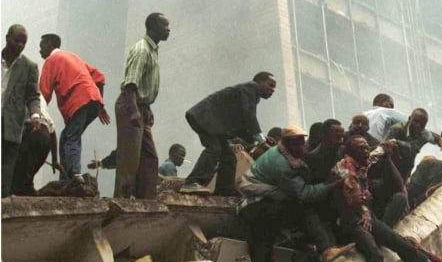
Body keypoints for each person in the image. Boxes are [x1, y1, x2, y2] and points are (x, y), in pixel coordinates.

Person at [331, 136, 442, 262]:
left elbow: (381, 154)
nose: (367, 151)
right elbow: (354, 198)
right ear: (352, 152)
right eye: (362, 149)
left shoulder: (363, 161)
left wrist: (387, 149)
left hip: (366, 216)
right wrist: (365, 208)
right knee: (374, 253)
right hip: (351, 221)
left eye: (367, 148)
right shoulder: (346, 170)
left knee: (399, 242)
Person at [237, 125, 353, 262]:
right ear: (289, 142)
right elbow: (304, 194)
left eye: (304, 141)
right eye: (299, 143)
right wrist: (330, 185)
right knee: (303, 209)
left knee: (263, 253)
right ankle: (326, 249)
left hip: (261, 205)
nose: (303, 146)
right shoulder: (281, 164)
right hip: (257, 207)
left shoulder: (285, 153)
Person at [181, 71, 276, 194]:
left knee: (228, 157)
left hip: (213, 124)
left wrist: (260, 138)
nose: (273, 90)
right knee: (214, 149)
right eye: (271, 85)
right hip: (205, 118)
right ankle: (192, 182)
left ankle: (223, 191)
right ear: (259, 82)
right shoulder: (251, 87)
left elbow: (244, 124)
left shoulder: (251, 95)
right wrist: (261, 140)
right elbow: (249, 115)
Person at [39, 33, 110, 181]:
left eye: (42, 46)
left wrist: (36, 116)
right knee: (66, 137)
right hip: (94, 101)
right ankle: (65, 178)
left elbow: (43, 94)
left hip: (78, 101)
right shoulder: (73, 56)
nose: (40, 50)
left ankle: (75, 175)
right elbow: (100, 76)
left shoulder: (51, 60)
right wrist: (101, 104)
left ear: (50, 44)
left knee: (71, 137)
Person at [115, 13, 170, 199]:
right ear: (153, 27)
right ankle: (122, 201)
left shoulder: (153, 50)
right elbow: (131, 84)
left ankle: (146, 201)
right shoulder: (142, 50)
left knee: (150, 158)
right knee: (129, 160)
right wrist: (134, 111)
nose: (169, 29)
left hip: (141, 106)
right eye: (165, 25)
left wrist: (146, 109)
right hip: (131, 105)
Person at [2, 24, 41, 197]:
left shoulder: (29, 67)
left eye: (24, 43)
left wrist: (35, 115)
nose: (20, 45)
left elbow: (33, 96)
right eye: (17, 41)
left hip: (12, 125)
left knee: (5, 170)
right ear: (7, 37)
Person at [11, 95, 59, 195]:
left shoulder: (19, 93)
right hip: (46, 139)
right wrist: (55, 160)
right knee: (27, 178)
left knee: (18, 179)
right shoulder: (40, 98)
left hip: (32, 132)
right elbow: (52, 131)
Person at [384, 108, 442, 180]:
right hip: (388, 169)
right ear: (409, 119)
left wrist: (440, 139)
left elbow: (413, 148)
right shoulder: (396, 129)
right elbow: (384, 147)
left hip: (404, 173)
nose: (418, 125)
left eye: (422, 124)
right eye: (416, 121)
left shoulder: (423, 134)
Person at [306, 118, 345, 184]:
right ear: (324, 135)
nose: (341, 136)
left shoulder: (343, 151)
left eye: (342, 132)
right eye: (337, 133)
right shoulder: (314, 157)